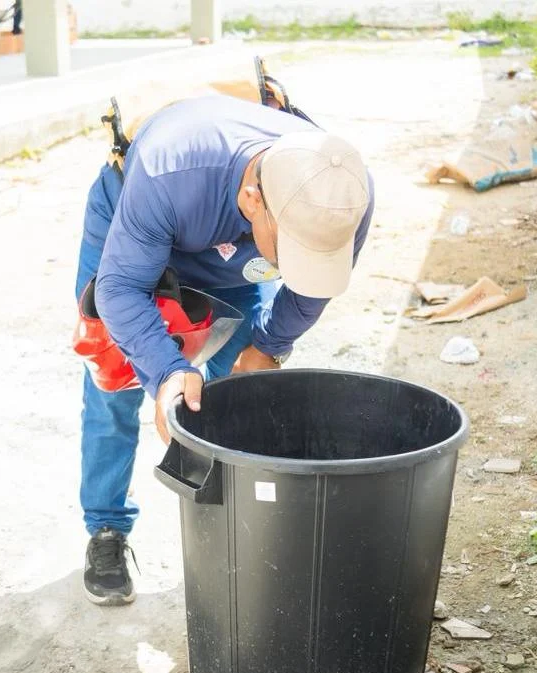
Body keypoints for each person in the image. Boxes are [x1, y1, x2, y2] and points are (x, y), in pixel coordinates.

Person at [75, 92, 375, 605]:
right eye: (292, 250)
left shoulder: (341, 194)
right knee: (119, 378)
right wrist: (166, 370)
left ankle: (238, 535)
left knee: (241, 387)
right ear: (256, 200)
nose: (302, 261)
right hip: (142, 223)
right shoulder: (172, 173)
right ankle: (107, 528)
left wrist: (270, 345)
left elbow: (314, 285)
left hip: (239, 245)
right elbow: (120, 290)